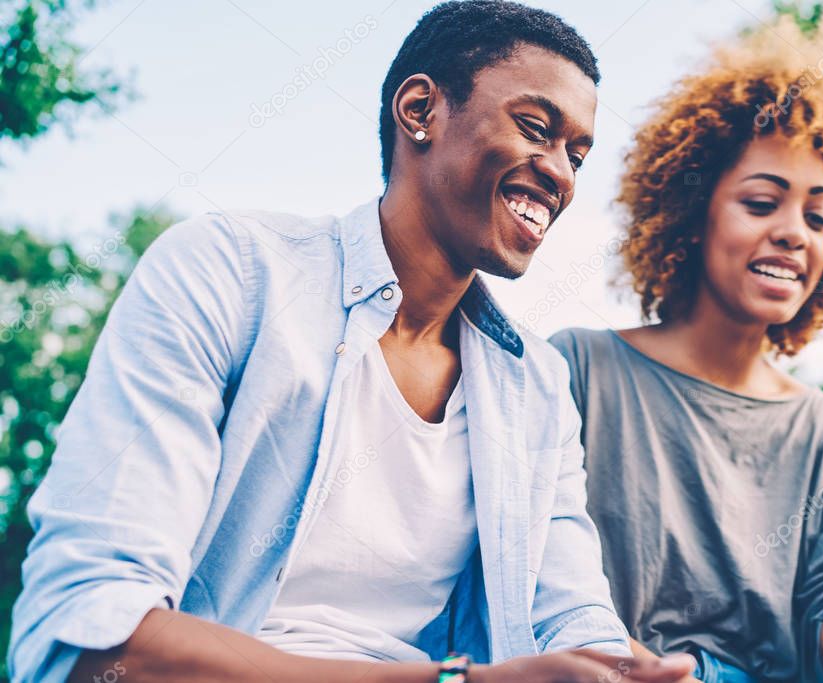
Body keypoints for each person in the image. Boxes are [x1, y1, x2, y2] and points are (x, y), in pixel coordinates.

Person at [7, 3, 702, 682]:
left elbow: (571, 617)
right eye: (534, 128)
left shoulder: (537, 384)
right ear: (420, 110)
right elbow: (88, 638)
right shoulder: (230, 272)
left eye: (577, 155)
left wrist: (619, 668)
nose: (560, 173)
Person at [550, 17, 823, 683]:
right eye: (761, 203)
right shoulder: (581, 370)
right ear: (693, 213)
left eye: (818, 216)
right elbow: (537, 590)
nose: (793, 234)